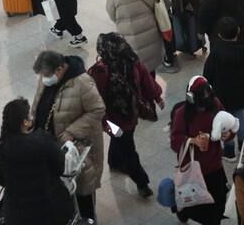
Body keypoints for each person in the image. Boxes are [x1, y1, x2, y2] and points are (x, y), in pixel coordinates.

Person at [33, 49, 105, 224]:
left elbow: (97, 109)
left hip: (78, 149)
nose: (43, 79)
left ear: (59, 69)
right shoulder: (46, 79)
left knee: (83, 192)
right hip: (52, 146)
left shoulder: (82, 82)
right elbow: (38, 103)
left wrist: (72, 132)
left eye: (46, 75)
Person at [89, 32, 163, 198]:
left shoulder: (99, 72)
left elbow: (95, 99)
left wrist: (102, 122)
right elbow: (147, 81)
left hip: (112, 120)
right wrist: (157, 97)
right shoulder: (132, 61)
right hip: (130, 114)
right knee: (127, 147)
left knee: (123, 141)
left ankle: (116, 163)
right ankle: (141, 181)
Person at [0, 98, 76, 225]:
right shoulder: (42, 140)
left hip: (17, 214)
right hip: (50, 208)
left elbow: (2, 181)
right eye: (29, 115)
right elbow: (60, 167)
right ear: (25, 122)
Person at [169, 76, 232, 224]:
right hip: (193, 167)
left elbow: (228, 124)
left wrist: (228, 134)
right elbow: (174, 141)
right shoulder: (182, 114)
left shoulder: (215, 104)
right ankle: (183, 212)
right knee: (194, 201)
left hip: (214, 165)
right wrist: (192, 141)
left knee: (218, 201)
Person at [203, 16, 244, 159]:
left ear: (219, 34)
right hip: (242, 92)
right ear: (238, 31)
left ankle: (229, 151)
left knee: (226, 121)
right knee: (240, 117)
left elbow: (207, 74)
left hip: (222, 94)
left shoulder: (216, 53)